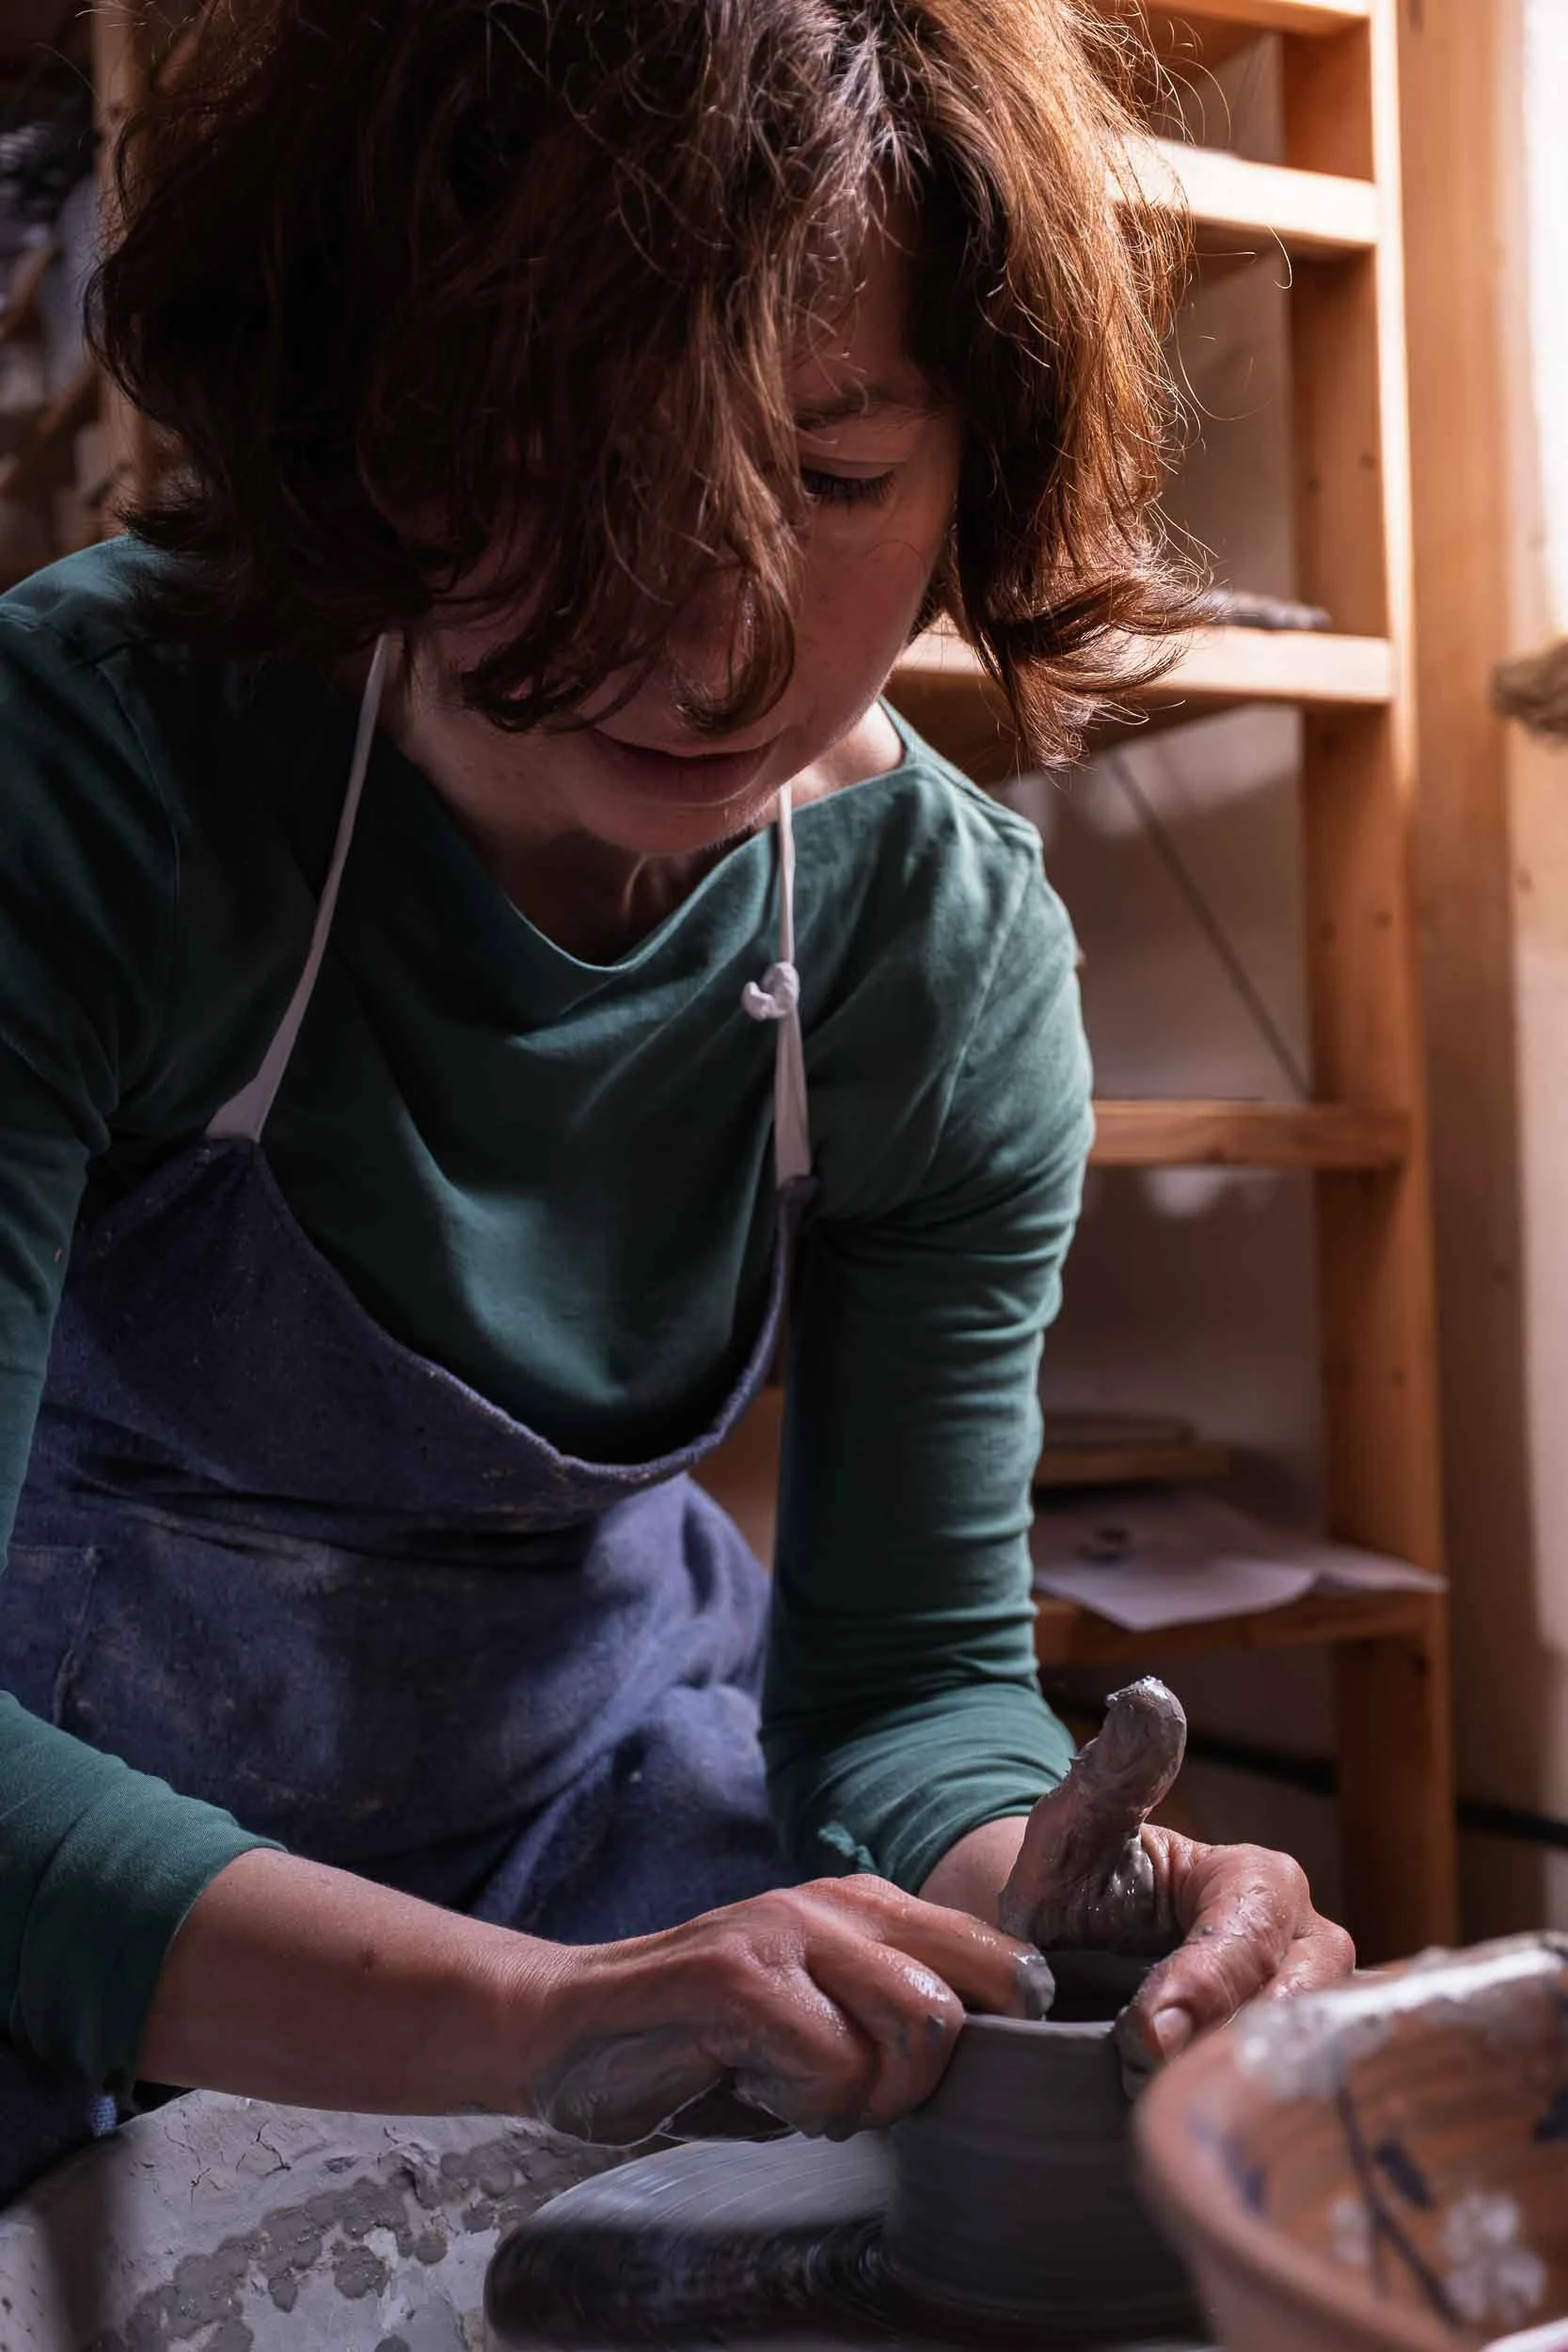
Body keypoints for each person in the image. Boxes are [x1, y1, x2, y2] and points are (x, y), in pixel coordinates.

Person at [0, 0, 1352, 2200]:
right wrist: (532, 2024)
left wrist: (1065, 1874)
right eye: (579, 465)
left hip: (602, 1820)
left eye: (831, 480)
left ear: (968, 451)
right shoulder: (85, 773)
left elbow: (902, 1689)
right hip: (70, 1866)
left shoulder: (934, 951)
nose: (713, 631)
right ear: (356, 411)